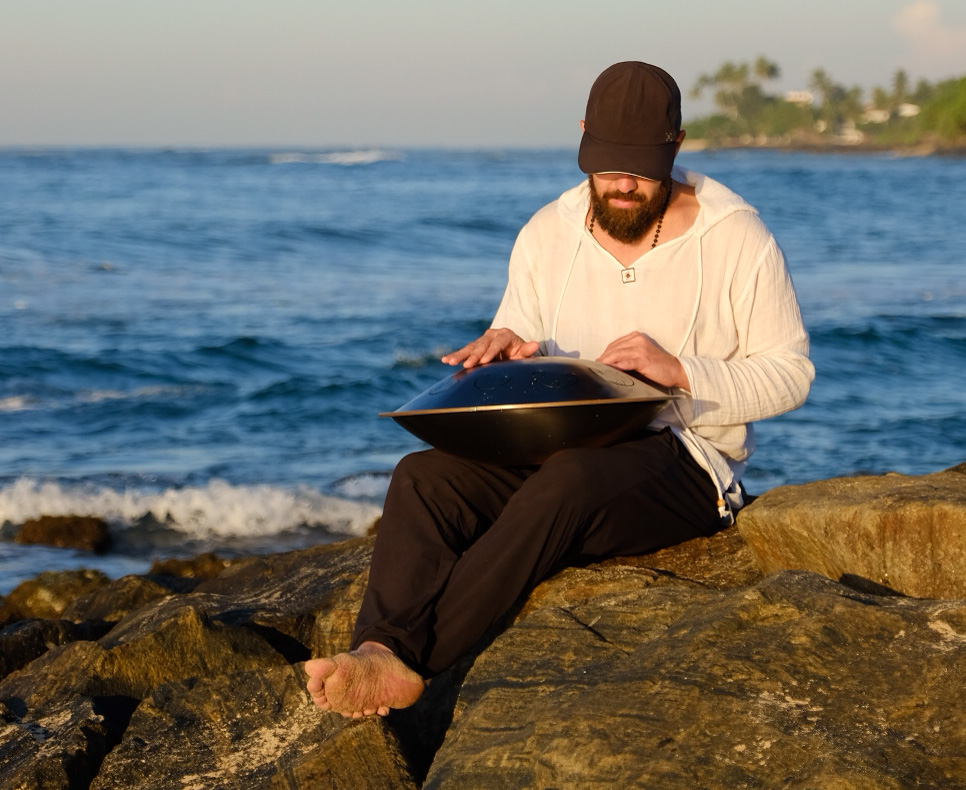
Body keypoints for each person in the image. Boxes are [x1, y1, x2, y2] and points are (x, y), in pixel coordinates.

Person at [305, 61, 814, 718]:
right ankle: (378, 647)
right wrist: (506, 352)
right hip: (560, 444)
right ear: (582, 139)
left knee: (568, 482)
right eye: (607, 167)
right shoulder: (549, 232)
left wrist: (682, 370)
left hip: (686, 463)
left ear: (678, 146)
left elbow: (791, 373)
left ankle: (406, 665)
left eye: (640, 168)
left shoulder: (738, 237)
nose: (623, 185)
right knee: (422, 477)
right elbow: (522, 335)